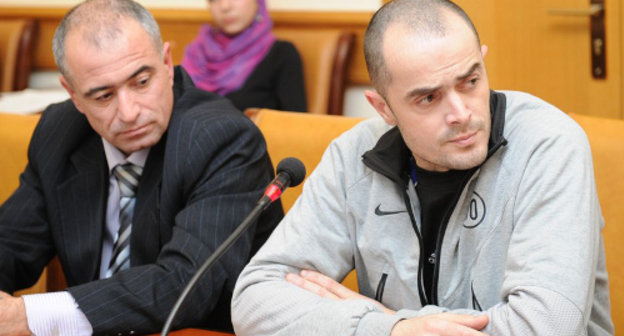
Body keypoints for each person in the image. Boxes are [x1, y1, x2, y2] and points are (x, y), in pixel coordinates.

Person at [231, 0, 615, 335]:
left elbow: (548, 327)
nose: (461, 114)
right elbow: (254, 300)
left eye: (470, 81)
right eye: (429, 98)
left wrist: (393, 323)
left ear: (482, 60)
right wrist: (391, 328)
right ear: (383, 108)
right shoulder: (353, 156)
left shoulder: (549, 144)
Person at [0, 0, 283, 335]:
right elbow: (10, 244)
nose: (129, 111)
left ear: (166, 62)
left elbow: (186, 284)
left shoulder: (221, 139)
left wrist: (29, 315)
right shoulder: (60, 132)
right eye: (103, 96)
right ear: (73, 95)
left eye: (141, 82)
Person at [181, 0, 307, 113]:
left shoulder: (281, 55)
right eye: (214, 0)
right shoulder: (196, 54)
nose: (225, 6)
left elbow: (296, 128)